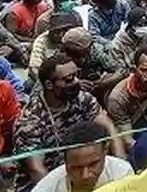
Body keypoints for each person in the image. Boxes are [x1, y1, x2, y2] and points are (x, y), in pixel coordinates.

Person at [16, 54, 122, 182]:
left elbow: (109, 127)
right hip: (47, 181)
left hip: (85, 169)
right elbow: (36, 170)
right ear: (49, 84)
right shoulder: (31, 121)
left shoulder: (82, 99)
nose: (77, 81)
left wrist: (121, 166)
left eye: (77, 75)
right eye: (69, 79)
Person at [22, 120, 134, 192]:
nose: (85, 175)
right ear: (65, 161)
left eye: (93, 164)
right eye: (76, 168)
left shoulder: (122, 175)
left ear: (105, 151)